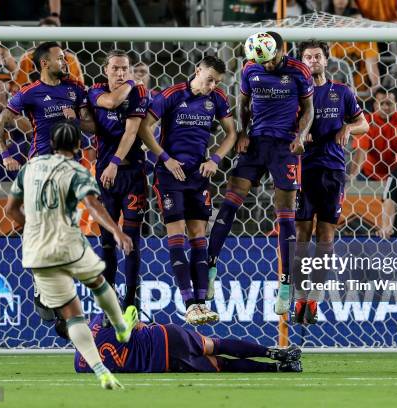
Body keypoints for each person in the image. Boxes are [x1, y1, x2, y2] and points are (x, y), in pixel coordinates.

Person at [5, 120, 135, 389]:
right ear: (78, 146)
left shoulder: (28, 169)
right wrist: (117, 232)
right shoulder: (77, 171)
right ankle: (120, 325)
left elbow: (11, 210)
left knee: (72, 314)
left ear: (51, 144)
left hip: (37, 250)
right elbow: (93, 205)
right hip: (68, 244)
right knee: (98, 282)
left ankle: (101, 371)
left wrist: (32, 227)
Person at [206, 31, 314, 316]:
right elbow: (242, 103)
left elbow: (308, 109)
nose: (265, 66)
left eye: (269, 60)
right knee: (230, 202)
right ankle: (209, 266)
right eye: (260, 61)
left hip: (285, 147)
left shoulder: (299, 71)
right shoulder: (250, 68)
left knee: (285, 214)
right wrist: (242, 132)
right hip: (255, 143)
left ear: (281, 51)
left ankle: (286, 286)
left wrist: (301, 135)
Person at [138, 56, 237, 325]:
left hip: (197, 175)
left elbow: (232, 133)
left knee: (198, 236)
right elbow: (144, 128)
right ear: (198, 71)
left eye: (217, 81)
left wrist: (215, 159)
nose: (212, 85)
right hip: (169, 175)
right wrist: (165, 158)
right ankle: (189, 303)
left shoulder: (217, 98)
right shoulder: (171, 94)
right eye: (209, 79)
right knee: (178, 233)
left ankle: (203, 303)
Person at [294, 40, 368, 324]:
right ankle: (300, 298)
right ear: (301, 62)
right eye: (307, 57)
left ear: (326, 61)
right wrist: (299, 133)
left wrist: (349, 126)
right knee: (302, 235)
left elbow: (365, 124)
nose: (312, 61)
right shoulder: (296, 95)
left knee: (326, 236)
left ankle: (314, 301)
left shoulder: (341, 92)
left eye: (317, 57)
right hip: (303, 169)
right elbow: (283, 125)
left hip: (333, 171)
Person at [88, 50, 150, 312]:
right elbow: (111, 103)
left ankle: (131, 303)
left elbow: (132, 130)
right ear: (105, 70)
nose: (120, 73)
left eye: (125, 69)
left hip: (132, 174)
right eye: (115, 68)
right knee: (107, 241)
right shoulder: (95, 91)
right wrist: (130, 84)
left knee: (131, 241)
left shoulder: (140, 93)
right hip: (105, 176)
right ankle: (109, 305)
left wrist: (115, 163)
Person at [74, 310, 303, 373]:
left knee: (223, 364)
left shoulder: (80, 364)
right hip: (165, 336)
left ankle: (279, 367)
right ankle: (275, 352)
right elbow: (133, 322)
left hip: (163, 364)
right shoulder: (98, 321)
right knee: (217, 344)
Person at [0, 41, 95, 171]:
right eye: (59, 59)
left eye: (64, 58)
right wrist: (6, 157)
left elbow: (93, 127)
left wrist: (76, 121)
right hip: (39, 164)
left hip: (70, 166)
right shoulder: (28, 92)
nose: (65, 62)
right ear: (44, 63)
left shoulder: (76, 88)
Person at [351, 89, 397, 181]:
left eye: (389, 103)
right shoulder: (366, 121)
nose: (385, 107)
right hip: (369, 174)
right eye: (381, 103)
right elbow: (361, 151)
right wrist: (353, 178)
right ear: (375, 105)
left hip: (396, 174)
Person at [12, 18, 84, 92]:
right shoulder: (28, 58)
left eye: (52, 34)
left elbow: (79, 87)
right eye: (45, 34)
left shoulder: (70, 59)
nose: (49, 39)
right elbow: (18, 88)